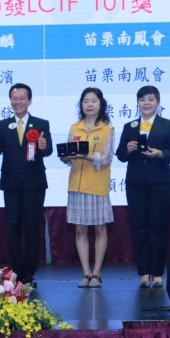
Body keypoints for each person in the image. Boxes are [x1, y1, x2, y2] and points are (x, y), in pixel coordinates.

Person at [0, 83, 52, 288]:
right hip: (11, 184)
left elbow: (48, 150)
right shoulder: (2, 125)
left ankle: (30, 271)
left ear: (29, 100)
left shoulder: (41, 124)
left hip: (34, 184)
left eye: (22, 98)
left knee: (32, 228)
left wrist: (44, 146)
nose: (18, 102)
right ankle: (16, 270)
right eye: (14, 98)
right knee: (13, 227)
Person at [115, 86, 170, 288]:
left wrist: (160, 154)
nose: (146, 103)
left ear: (158, 103)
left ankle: (158, 273)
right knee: (139, 227)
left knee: (158, 227)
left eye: (151, 99)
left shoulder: (167, 125)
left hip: (160, 183)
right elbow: (120, 155)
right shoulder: (130, 126)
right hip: (135, 184)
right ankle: (144, 273)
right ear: (137, 103)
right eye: (142, 99)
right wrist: (128, 149)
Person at [61, 88, 115, 288]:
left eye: (93, 100)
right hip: (76, 185)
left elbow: (107, 158)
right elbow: (67, 158)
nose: (89, 104)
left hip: (97, 185)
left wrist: (88, 156)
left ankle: (97, 273)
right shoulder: (75, 128)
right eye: (85, 101)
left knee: (100, 230)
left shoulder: (107, 129)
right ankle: (85, 273)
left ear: (101, 104)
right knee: (79, 230)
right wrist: (66, 156)